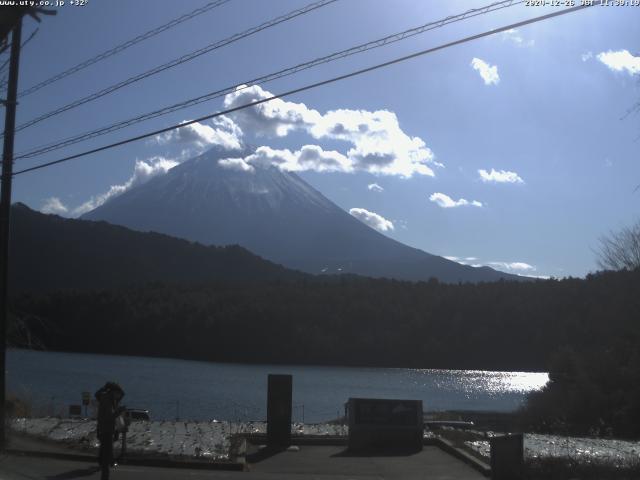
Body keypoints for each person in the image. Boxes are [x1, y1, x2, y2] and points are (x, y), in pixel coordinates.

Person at [95, 382, 125, 480]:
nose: (119, 396)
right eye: (117, 393)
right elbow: (109, 417)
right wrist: (119, 411)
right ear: (113, 392)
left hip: (105, 429)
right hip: (106, 430)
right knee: (105, 459)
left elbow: (122, 394)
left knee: (105, 454)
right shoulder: (107, 401)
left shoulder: (109, 399)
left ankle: (109, 463)